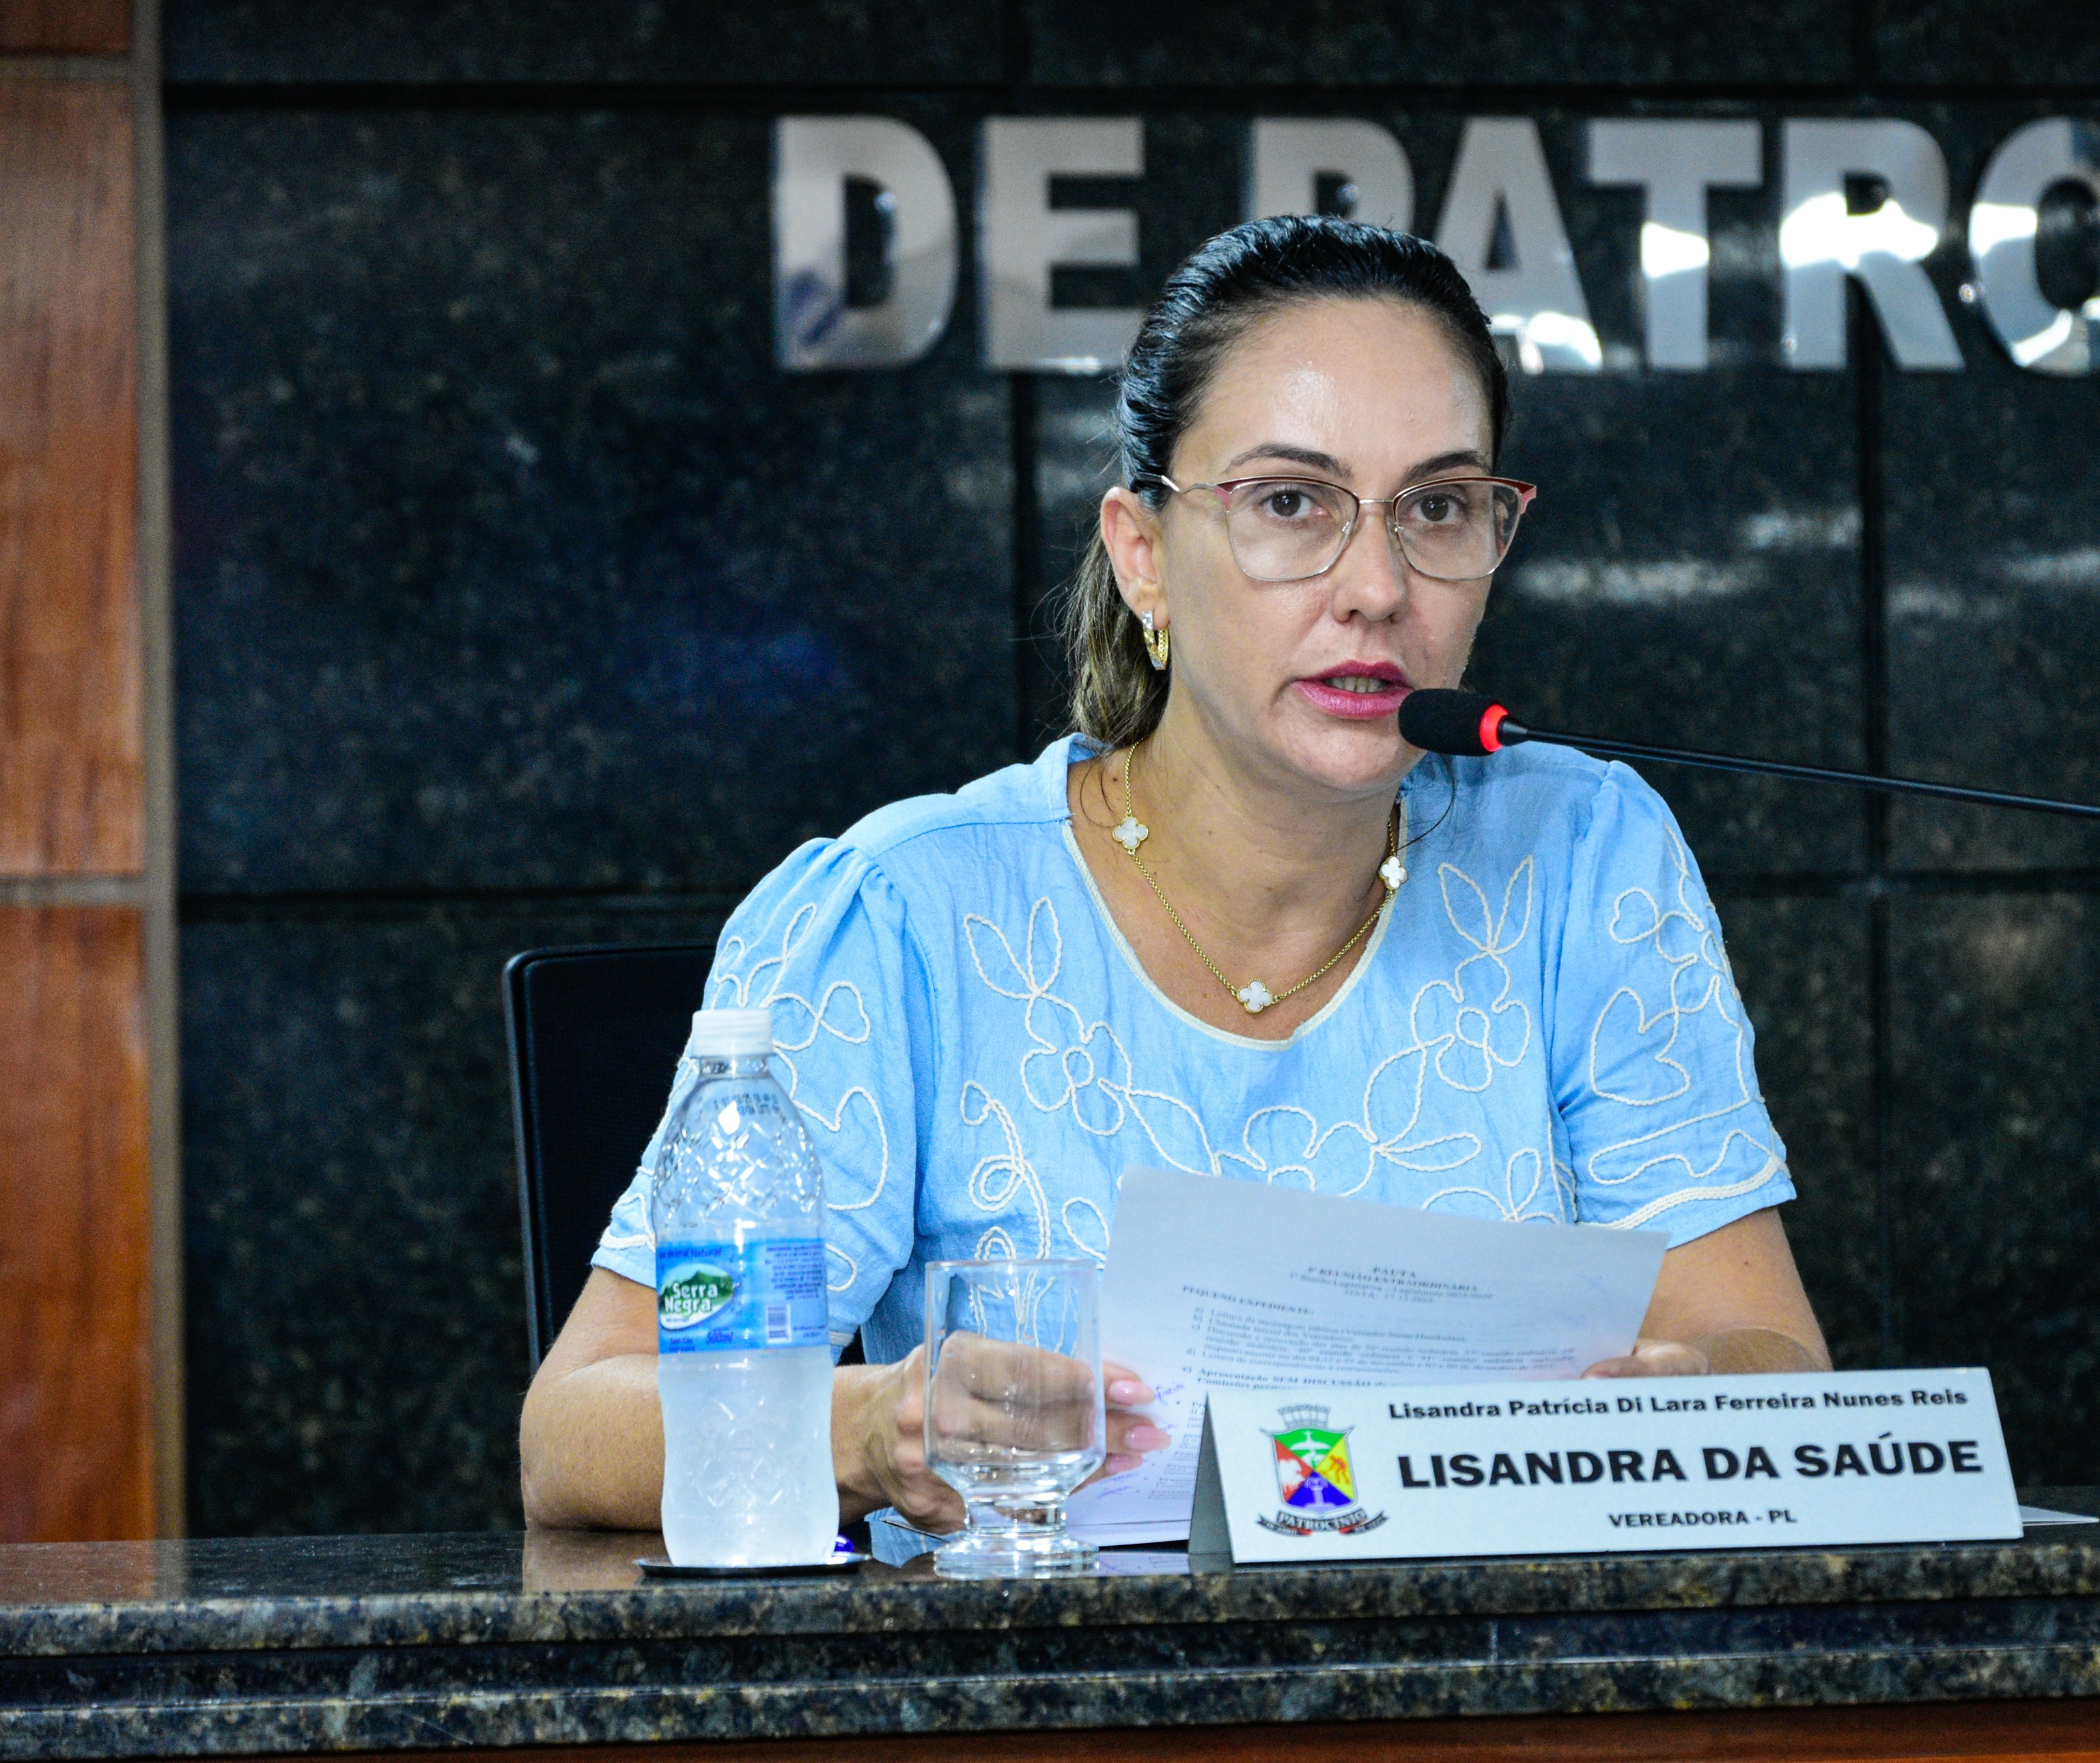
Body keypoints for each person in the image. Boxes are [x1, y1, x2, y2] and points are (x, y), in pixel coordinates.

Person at [520, 214, 1828, 1540]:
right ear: (1142, 552)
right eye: (1290, 503)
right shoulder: (910, 913)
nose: (1377, 588)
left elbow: (1772, 1358)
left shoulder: (1579, 855)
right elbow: (574, 1427)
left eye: (1436, 507)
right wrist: (863, 1427)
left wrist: (1687, 1395)